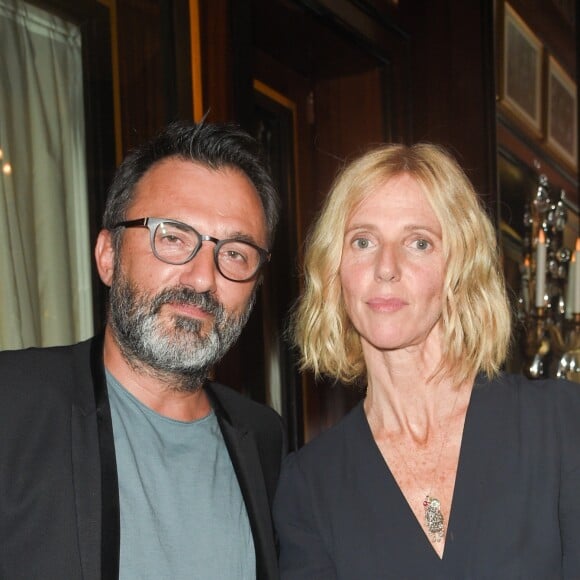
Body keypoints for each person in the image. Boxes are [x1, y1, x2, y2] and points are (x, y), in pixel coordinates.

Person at [273, 143, 580, 578]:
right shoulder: (309, 484)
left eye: (419, 242)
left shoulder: (560, 424)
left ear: (459, 266)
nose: (386, 267)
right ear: (333, 270)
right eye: (363, 241)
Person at [0, 120, 286, 580]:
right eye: (172, 236)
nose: (201, 278)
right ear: (107, 255)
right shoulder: (13, 403)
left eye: (234, 252)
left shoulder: (265, 439)